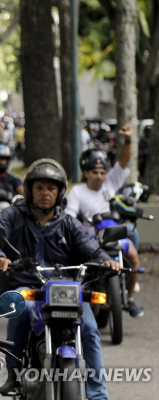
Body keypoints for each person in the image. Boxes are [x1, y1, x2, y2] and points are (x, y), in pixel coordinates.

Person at [0, 159, 119, 400]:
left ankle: (98, 395)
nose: (45, 193)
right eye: (40, 188)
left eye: (51, 188)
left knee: (90, 329)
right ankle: (12, 371)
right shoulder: (12, 215)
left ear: (59, 192)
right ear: (30, 190)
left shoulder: (68, 223)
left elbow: (91, 248)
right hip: (24, 284)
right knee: (21, 309)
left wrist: (106, 260)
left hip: (65, 289)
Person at [65, 124, 143, 317]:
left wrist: (127, 140)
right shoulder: (77, 191)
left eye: (102, 173)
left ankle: (130, 298)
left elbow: (124, 161)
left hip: (112, 236)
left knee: (133, 257)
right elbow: (69, 216)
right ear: (85, 173)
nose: (99, 177)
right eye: (94, 173)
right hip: (89, 240)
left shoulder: (110, 183)